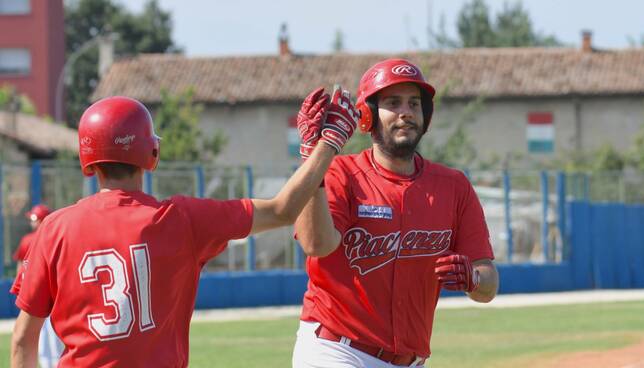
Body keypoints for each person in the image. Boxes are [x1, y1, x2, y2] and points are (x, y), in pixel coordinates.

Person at [11, 90, 356, 367]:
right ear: (151, 152)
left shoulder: (54, 228)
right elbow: (284, 210)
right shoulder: (181, 218)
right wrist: (323, 147)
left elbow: (24, 341)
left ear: (88, 160)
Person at [292, 59, 499, 368]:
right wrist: (314, 163)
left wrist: (472, 278)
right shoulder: (340, 174)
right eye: (393, 102)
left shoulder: (453, 187)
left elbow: (489, 284)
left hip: (411, 360)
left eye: (414, 103)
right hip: (336, 350)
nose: (406, 111)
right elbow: (316, 244)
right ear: (368, 115)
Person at [13, 205, 64, 368]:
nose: (32, 223)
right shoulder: (51, 235)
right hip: (50, 292)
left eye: (35, 219)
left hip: (42, 292)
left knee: (40, 334)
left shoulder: (36, 237)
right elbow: (21, 265)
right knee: (46, 335)